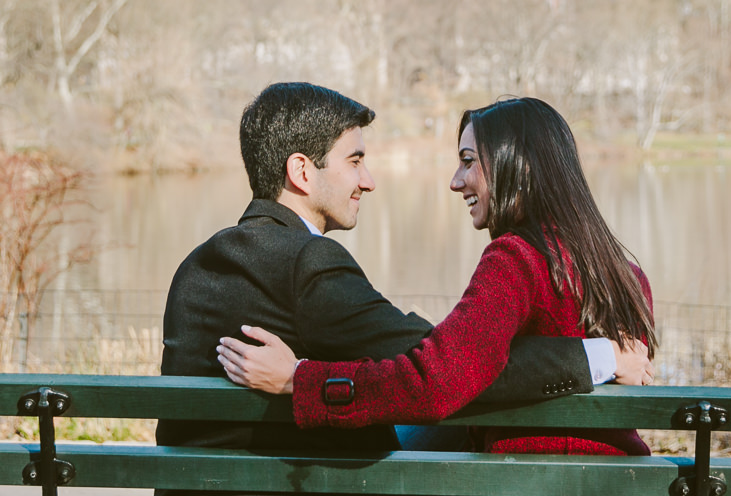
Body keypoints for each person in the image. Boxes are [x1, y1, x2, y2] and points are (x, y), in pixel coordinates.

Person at [159, 82, 651, 456]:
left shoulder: (195, 266)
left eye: (466, 162)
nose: (369, 181)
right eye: (355, 161)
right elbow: (452, 369)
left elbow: (454, 363)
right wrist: (602, 357)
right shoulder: (308, 262)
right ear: (302, 171)